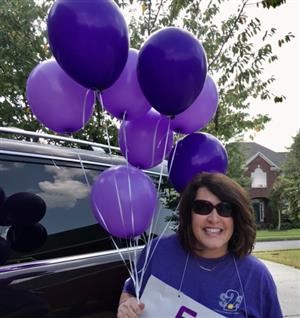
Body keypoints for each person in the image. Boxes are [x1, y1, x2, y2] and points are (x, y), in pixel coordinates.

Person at [117, 172, 283, 318]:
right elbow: (130, 292)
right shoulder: (157, 252)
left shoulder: (255, 275)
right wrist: (127, 305)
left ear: (237, 218)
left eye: (225, 209)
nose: (213, 218)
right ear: (189, 214)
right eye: (203, 207)